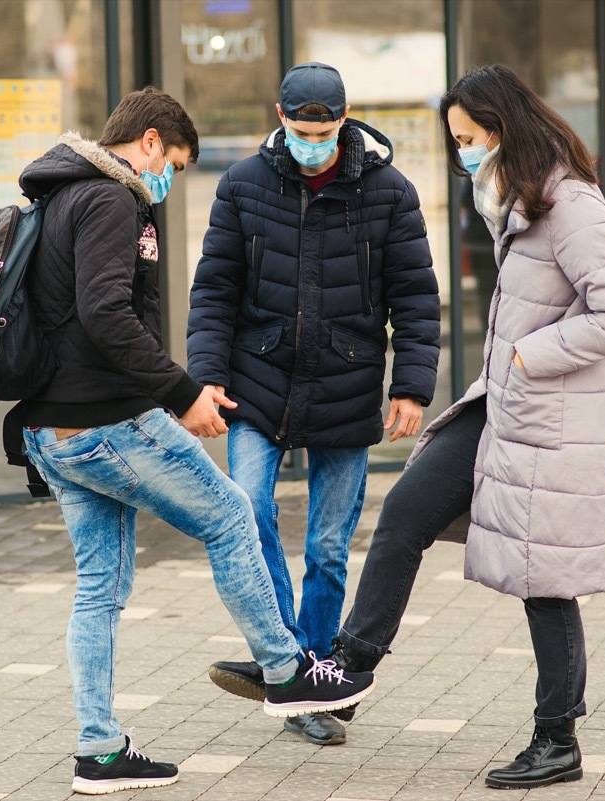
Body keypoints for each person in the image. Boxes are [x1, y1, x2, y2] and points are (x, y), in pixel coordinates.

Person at [13, 87, 376, 796]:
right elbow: (106, 313)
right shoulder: (111, 198)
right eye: (173, 166)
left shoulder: (57, 194)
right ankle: (285, 671)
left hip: (53, 432)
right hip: (111, 421)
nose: (169, 181)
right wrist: (182, 393)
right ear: (149, 141)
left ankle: (99, 751)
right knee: (232, 514)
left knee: (99, 589)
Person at [327, 64, 605, 789]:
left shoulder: (570, 204)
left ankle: (557, 739)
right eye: (456, 141)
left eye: (468, 139)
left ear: (504, 130)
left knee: (545, 578)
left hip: (551, 420)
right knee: (405, 511)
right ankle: (350, 667)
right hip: (502, 406)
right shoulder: (520, 202)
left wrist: (532, 353)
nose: (461, 153)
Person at [187, 62, 441, 746]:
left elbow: (416, 297)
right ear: (281, 118)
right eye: (301, 131)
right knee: (248, 513)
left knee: (328, 546)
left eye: (324, 134)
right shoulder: (242, 185)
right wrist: (204, 377)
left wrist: (412, 386)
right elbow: (213, 291)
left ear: (345, 119)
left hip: (346, 385)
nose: (312, 144)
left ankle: (316, 673)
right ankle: (290, 662)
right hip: (257, 382)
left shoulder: (389, 192)